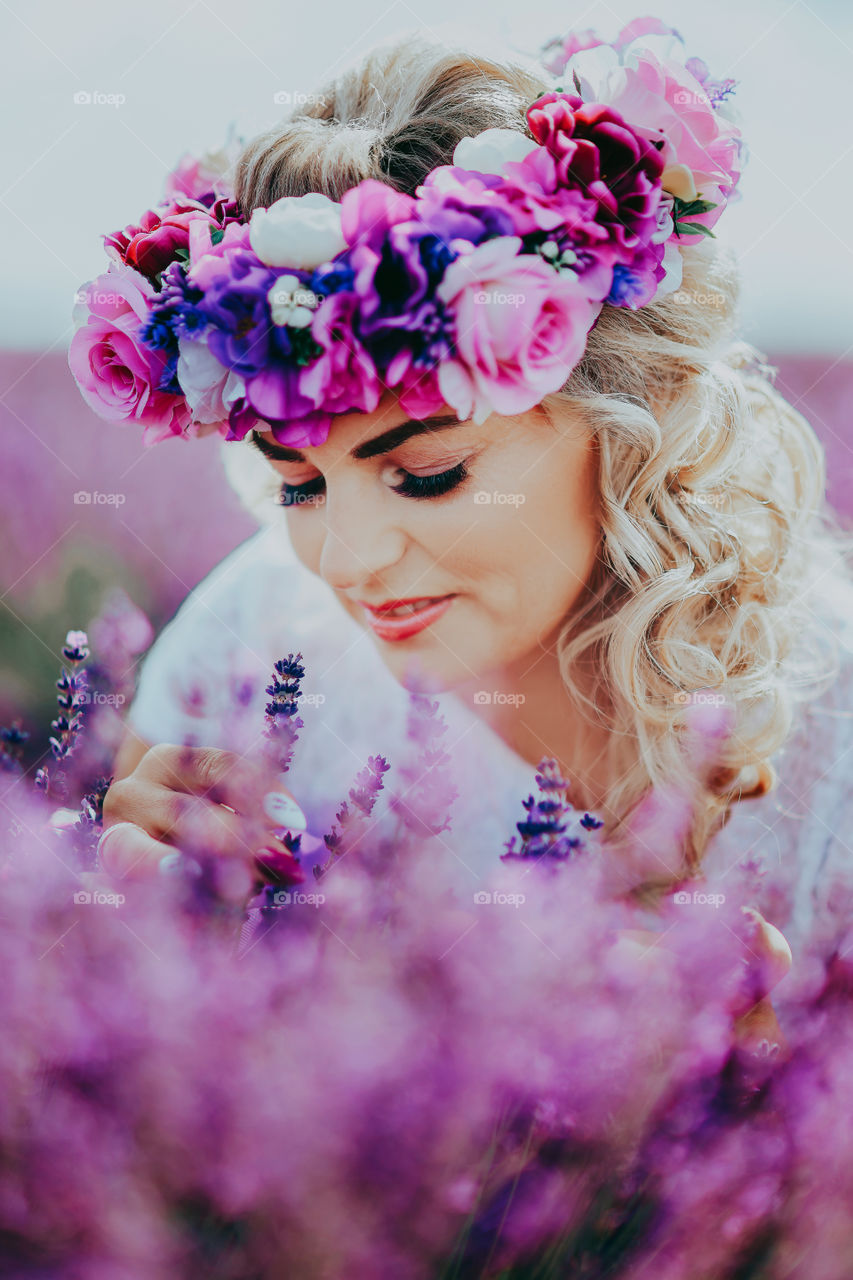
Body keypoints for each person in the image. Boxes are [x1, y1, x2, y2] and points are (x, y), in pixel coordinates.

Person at [74, 26, 853, 1042]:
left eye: (428, 474)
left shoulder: (830, 727)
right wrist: (129, 946)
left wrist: (752, 1106)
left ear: (626, 419)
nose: (350, 561)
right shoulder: (252, 643)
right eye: (299, 485)